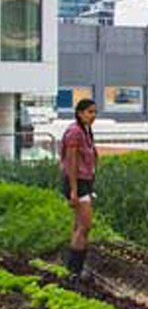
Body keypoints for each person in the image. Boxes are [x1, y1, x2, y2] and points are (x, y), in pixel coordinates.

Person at [59, 98, 98, 279]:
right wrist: (74, 190)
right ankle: (74, 270)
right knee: (85, 226)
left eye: (94, 112)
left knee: (79, 226)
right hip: (77, 182)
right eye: (89, 112)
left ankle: (74, 269)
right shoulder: (75, 132)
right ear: (80, 113)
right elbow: (71, 162)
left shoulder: (86, 131)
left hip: (85, 182)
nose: (93, 116)